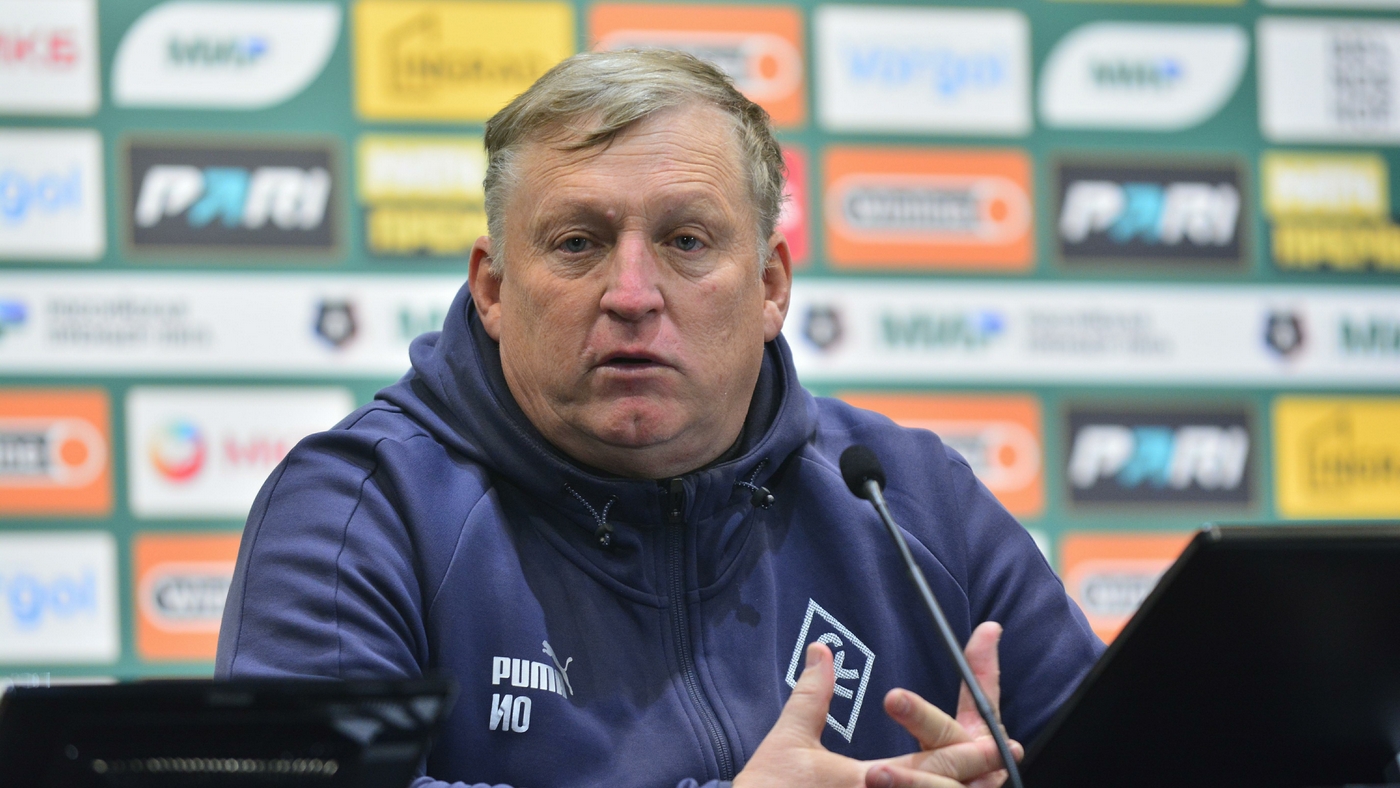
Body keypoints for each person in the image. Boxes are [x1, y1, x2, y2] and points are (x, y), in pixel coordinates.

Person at [216, 50, 1102, 788]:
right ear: (492, 288)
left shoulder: (909, 498)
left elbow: (1139, 752)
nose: (632, 294)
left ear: (770, 287)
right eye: (578, 243)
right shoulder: (364, 506)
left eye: (686, 242)